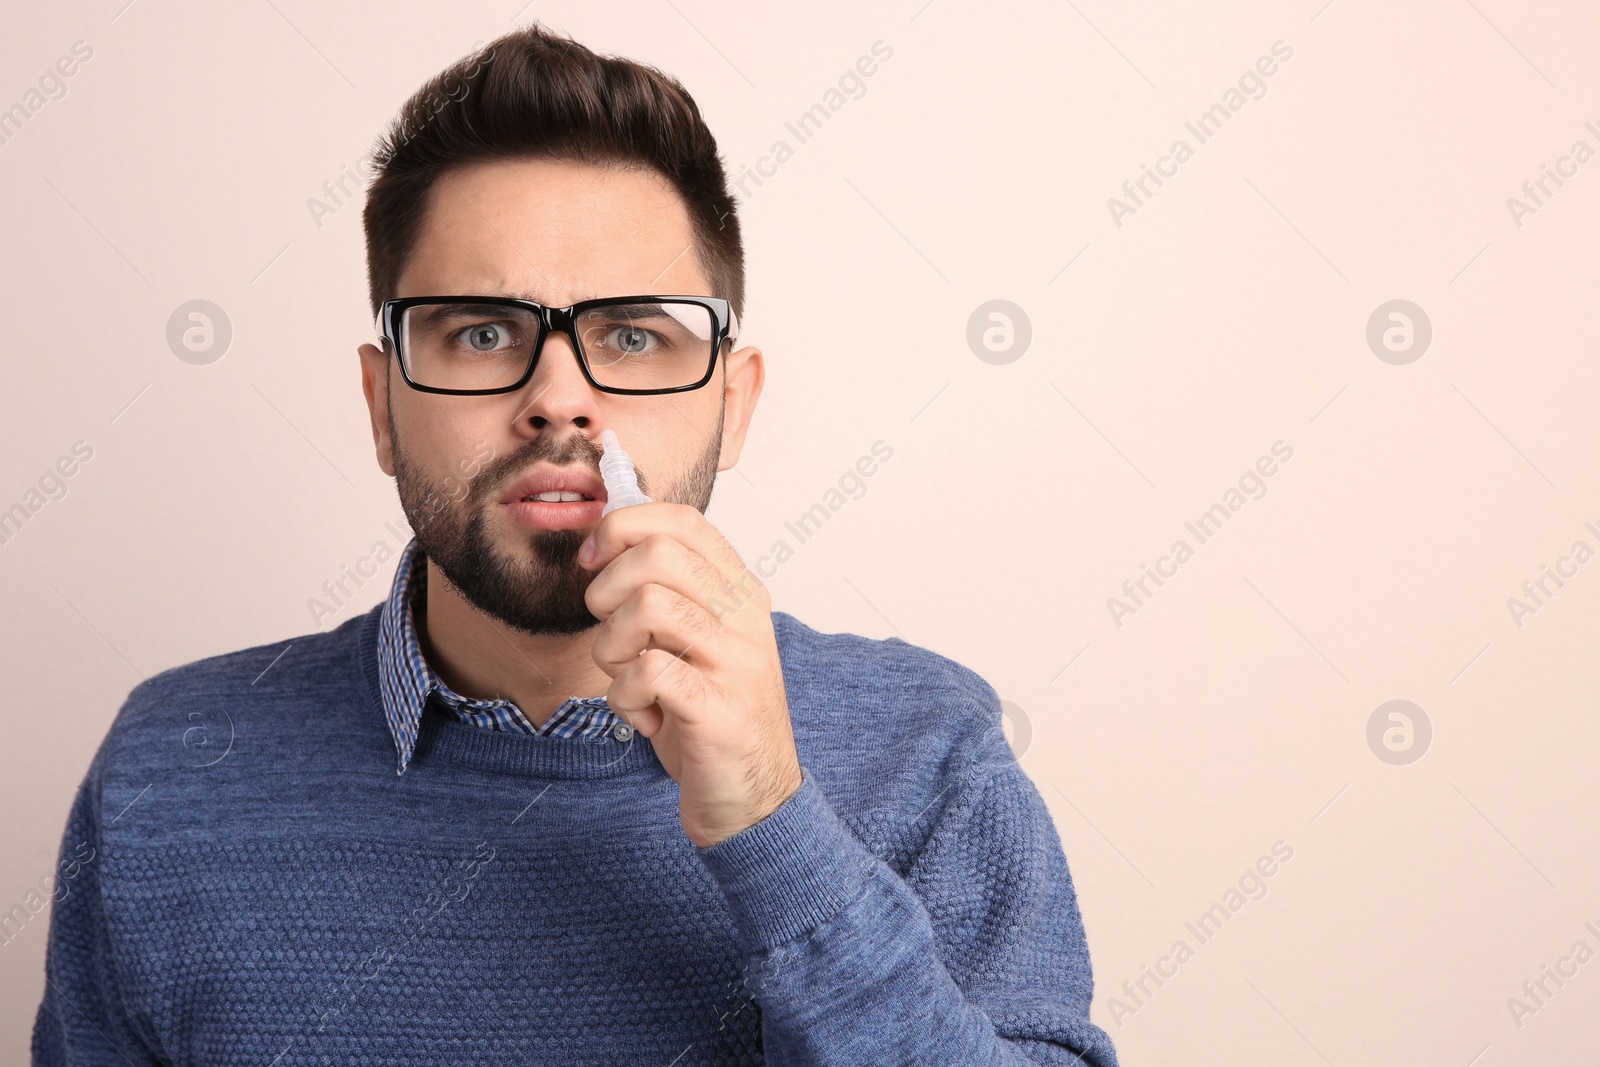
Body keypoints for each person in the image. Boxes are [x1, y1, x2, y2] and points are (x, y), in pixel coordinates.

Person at [33, 22, 1118, 1066]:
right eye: (482, 332)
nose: (561, 400)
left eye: (633, 335)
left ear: (733, 406)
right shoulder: (168, 769)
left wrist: (775, 825)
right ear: (381, 403)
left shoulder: (930, 754)